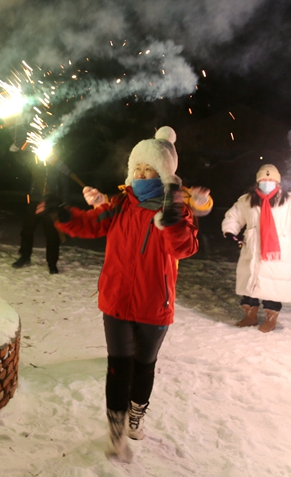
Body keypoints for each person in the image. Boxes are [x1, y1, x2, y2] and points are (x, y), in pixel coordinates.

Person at [42, 126, 201, 462]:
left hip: (154, 305)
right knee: (118, 368)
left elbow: (185, 247)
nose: (143, 175)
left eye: (151, 170)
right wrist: (63, 213)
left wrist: (170, 221)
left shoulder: (176, 210)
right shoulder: (120, 204)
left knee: (144, 367)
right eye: (138, 169)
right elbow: (90, 224)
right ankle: (116, 433)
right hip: (116, 301)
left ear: (164, 173)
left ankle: (135, 417)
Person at [221, 164, 291, 333]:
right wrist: (230, 231)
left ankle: (271, 317)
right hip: (253, 248)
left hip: (278, 250)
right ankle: (250, 315)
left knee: (274, 285)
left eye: (270, 179)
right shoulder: (247, 200)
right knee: (250, 281)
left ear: (277, 182)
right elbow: (234, 216)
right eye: (263, 179)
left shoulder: (289, 200)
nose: (267, 182)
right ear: (258, 181)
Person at [11, 147, 67, 274]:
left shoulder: (58, 164)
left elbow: (64, 185)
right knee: (27, 231)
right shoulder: (36, 161)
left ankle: (52, 263)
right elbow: (22, 160)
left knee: (52, 235)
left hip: (51, 204)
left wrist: (63, 204)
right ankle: (25, 257)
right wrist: (15, 150)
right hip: (34, 201)